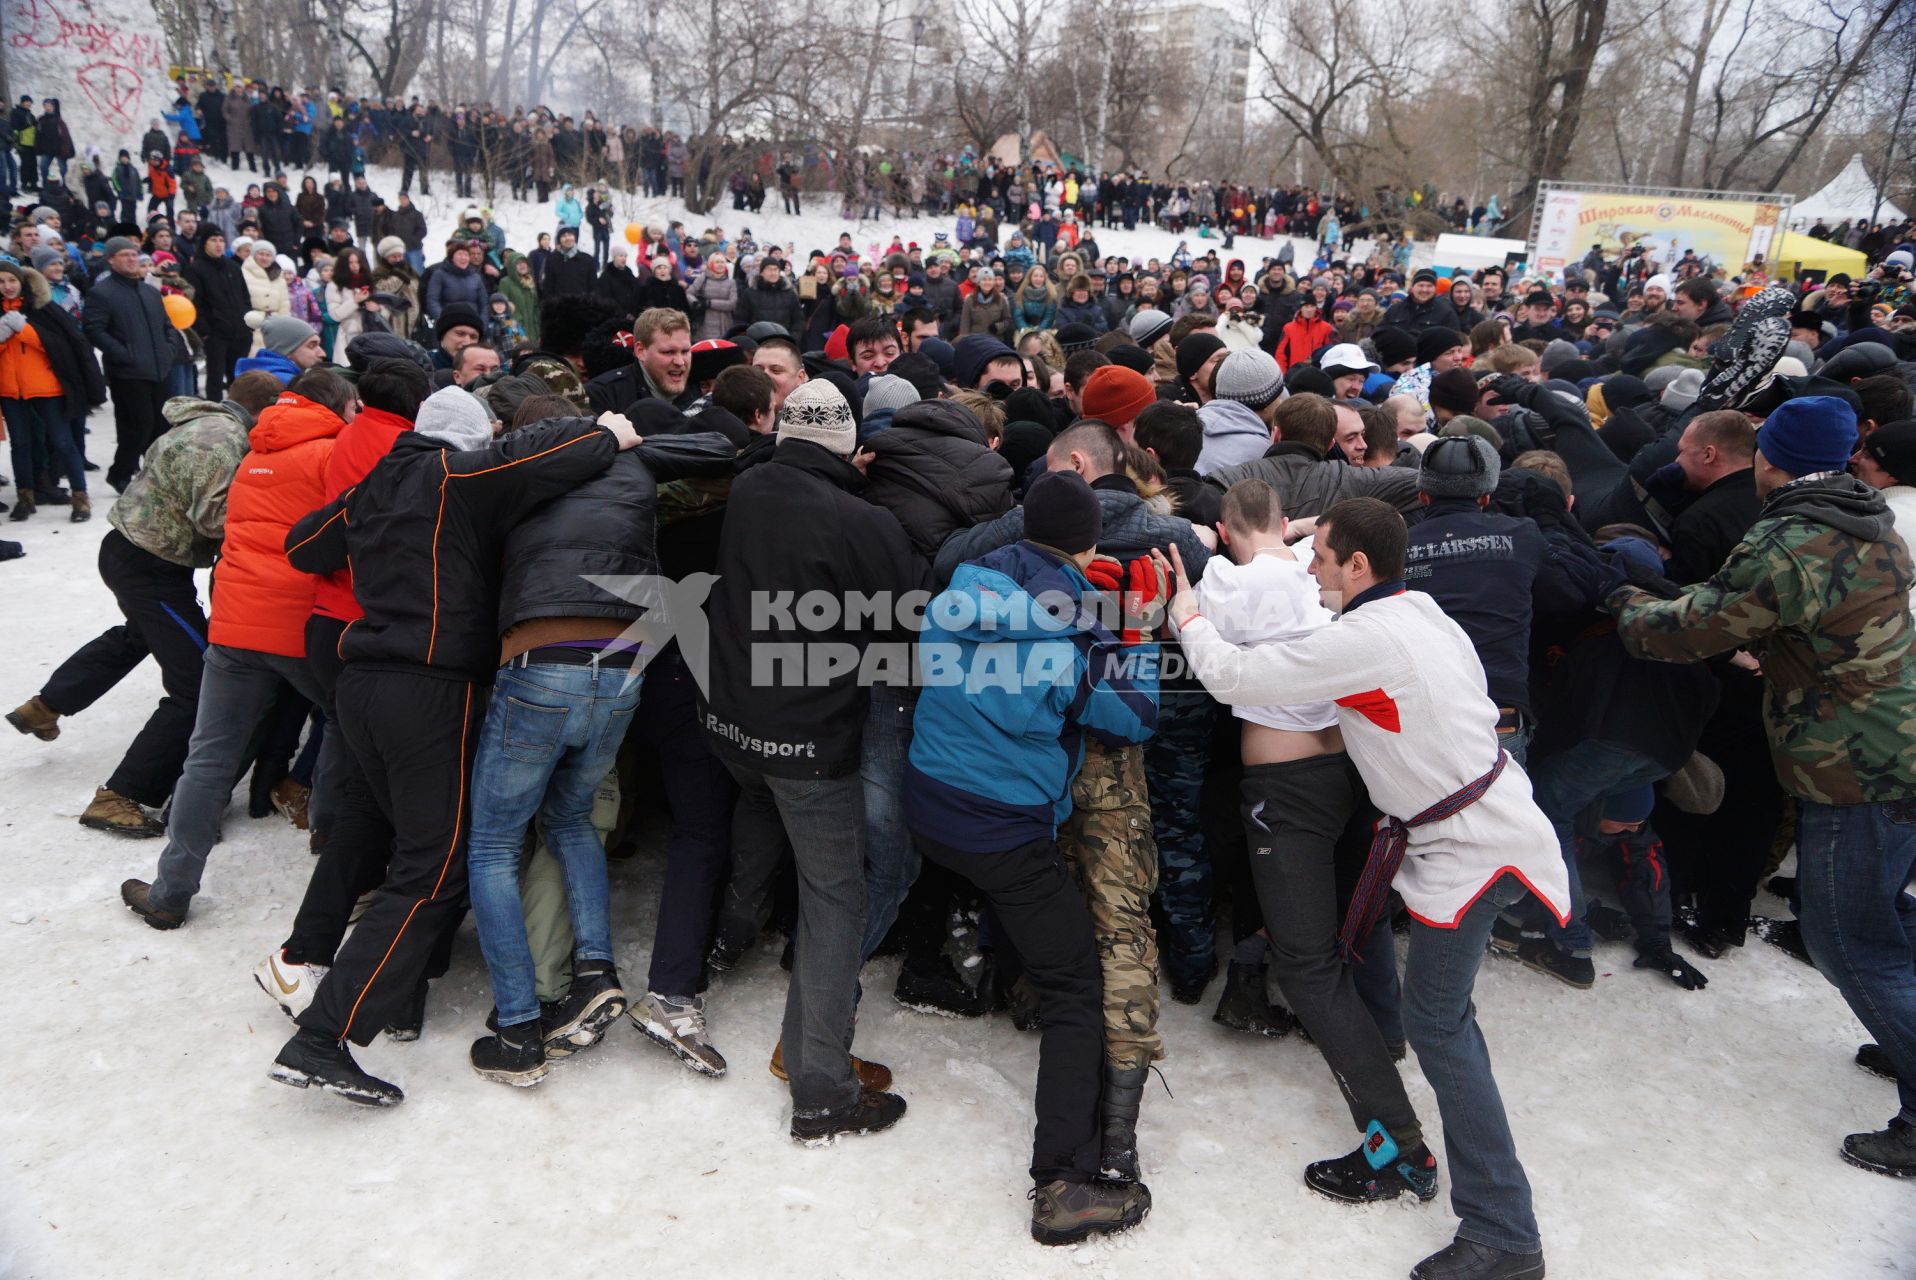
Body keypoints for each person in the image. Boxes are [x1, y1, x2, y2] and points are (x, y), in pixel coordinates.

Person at [1168, 496, 1567, 1280]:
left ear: (1357, 566)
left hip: (1473, 849)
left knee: (1441, 1031)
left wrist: (1187, 612)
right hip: (1490, 824)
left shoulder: (1365, 637)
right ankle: (1461, 1192)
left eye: (1318, 555)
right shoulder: (1422, 611)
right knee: (1447, 1021)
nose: (1306, 565)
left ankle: (1502, 1233)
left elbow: (1234, 674)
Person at [269, 389, 641, 1106]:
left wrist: (370, 514)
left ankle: (392, 1003)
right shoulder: (456, 474)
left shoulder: (374, 486)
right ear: (469, 438)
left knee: (403, 844)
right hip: (431, 691)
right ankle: (324, 1037)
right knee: (433, 869)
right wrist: (609, 431)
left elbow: (303, 545)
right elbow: (559, 454)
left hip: (362, 686)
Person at [1610, 396, 1916, 1179]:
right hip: (1896, 739)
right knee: (1882, 916)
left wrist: (1626, 600)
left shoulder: (1792, 540)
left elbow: (1689, 632)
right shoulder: (1865, 517)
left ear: (1769, 457)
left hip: (1855, 762)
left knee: (1849, 938)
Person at [907, 469, 1157, 1243]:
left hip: (927, 803)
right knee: (1077, 986)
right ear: (1087, 544)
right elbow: (1135, 718)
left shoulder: (960, 588)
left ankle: (962, 972)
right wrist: (1135, 630)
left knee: (1010, 903)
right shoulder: (1072, 634)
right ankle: (1063, 1182)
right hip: (1002, 829)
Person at [1194, 478, 1436, 1202]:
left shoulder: (1233, 583)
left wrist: (1185, 604)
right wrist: (1297, 534)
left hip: (1288, 795)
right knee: (1339, 939)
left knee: (1306, 966)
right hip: (1347, 777)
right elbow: (1295, 550)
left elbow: (1223, 667)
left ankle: (1400, 1147)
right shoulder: (1317, 580)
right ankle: (1379, 1041)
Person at [697, 378, 921, 1143]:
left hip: (730, 725)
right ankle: (821, 1089)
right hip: (809, 742)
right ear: (848, 444)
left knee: (760, 823)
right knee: (837, 902)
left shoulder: (747, 486)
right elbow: (901, 636)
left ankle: (726, 940)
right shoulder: (865, 519)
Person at [118, 370, 357, 927]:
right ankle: (329, 840)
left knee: (208, 757)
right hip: (298, 624)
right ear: (339, 405)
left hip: (234, 623)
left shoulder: (252, 451)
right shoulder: (333, 453)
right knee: (343, 721)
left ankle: (170, 892)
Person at [8, 374, 282, 830]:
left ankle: (45, 706)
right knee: (198, 685)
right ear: (265, 408)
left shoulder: (203, 424)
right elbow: (214, 518)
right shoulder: (223, 439)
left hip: (130, 553)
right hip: (150, 569)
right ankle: (121, 795)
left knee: (139, 635)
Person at [0, 258, 103, 523]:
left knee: (62, 442)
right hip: (11, 391)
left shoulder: (42, 309)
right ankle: (25, 497)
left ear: (22, 282)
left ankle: (80, 497)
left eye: (11, 280)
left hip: (47, 389)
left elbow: (60, 346)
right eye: (1, 282)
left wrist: (24, 331)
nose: (7, 286)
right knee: (20, 445)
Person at [83, 236, 175, 490]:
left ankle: (155, 475)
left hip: (158, 369)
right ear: (111, 260)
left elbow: (166, 325)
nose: (131, 259)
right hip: (128, 373)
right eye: (124, 255)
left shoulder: (149, 291)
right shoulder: (102, 293)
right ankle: (120, 473)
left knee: (161, 425)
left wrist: (169, 349)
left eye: (134, 254)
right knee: (137, 426)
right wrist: (124, 354)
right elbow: (94, 329)